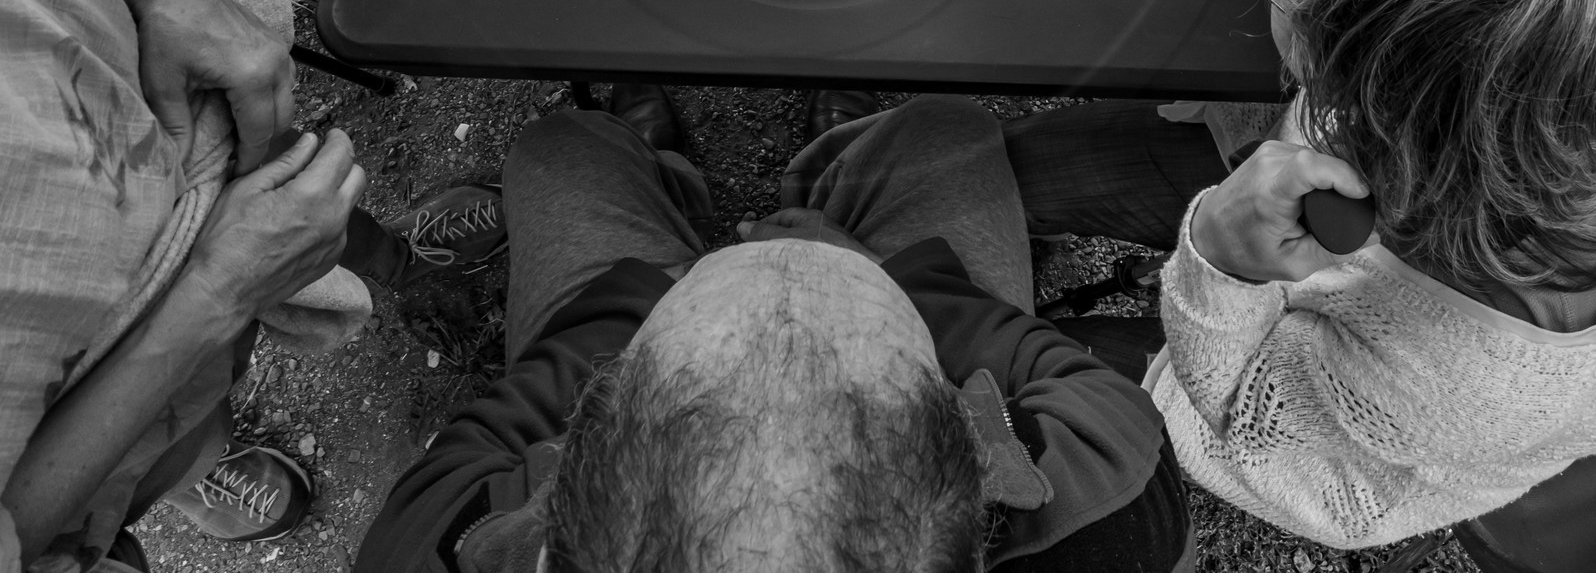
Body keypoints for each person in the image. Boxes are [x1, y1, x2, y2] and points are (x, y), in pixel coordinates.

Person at [960, 0, 1596, 549]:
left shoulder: (1457, 386)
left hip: (1253, 405)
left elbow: (1241, 421)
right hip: (1311, 204)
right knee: (997, 172)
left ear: (1366, 106)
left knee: (974, 370)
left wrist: (1219, 262)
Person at [356, 90, 1195, 573]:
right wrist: (880, 278)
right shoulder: (1114, 519)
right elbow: (1091, 397)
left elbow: (479, 439)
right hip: (922, 304)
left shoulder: (435, 551)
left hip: (616, 323)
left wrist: (652, 303)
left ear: (566, 475)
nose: (775, 257)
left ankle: (663, 175)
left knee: (559, 149)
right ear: (986, 457)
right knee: (942, 129)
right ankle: (846, 157)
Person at [0, 0, 513, 571]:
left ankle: (398, 258)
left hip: (143, 110)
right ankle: (160, 477)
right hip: (67, 410)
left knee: (293, 201)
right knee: (159, 445)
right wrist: (218, 292)